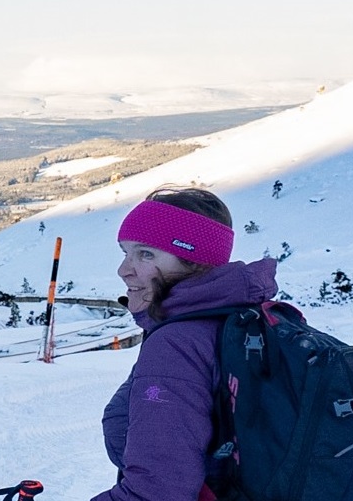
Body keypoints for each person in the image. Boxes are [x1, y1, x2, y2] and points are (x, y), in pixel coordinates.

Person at [94, 185, 276, 501]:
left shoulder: (178, 344)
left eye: (145, 253)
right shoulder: (243, 316)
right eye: (126, 253)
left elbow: (157, 491)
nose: (124, 270)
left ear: (194, 262)